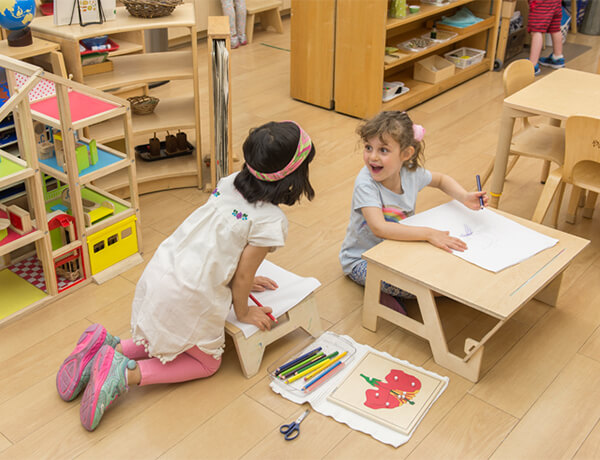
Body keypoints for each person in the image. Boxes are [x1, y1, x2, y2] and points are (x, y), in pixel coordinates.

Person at [56, 121, 316, 431]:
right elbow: (244, 273)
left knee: (169, 336)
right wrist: (244, 311)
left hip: (163, 270)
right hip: (190, 294)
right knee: (206, 363)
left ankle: (108, 347)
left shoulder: (230, 182)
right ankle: (125, 375)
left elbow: (220, 243)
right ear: (294, 176)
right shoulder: (270, 221)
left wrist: (240, 277)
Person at [339, 111, 488, 313]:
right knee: (435, 289)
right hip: (363, 260)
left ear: (406, 154)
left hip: (400, 249)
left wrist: (463, 197)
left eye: (383, 150)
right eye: (368, 148)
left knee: (450, 274)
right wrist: (428, 233)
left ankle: (387, 290)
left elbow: (441, 180)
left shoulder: (410, 172)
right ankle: (379, 292)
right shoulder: (365, 184)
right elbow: (379, 228)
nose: (372, 157)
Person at [528, 0, 565, 75]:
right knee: (555, 28)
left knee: (536, 31)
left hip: (541, 2)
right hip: (556, 2)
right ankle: (557, 57)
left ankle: (533, 65)